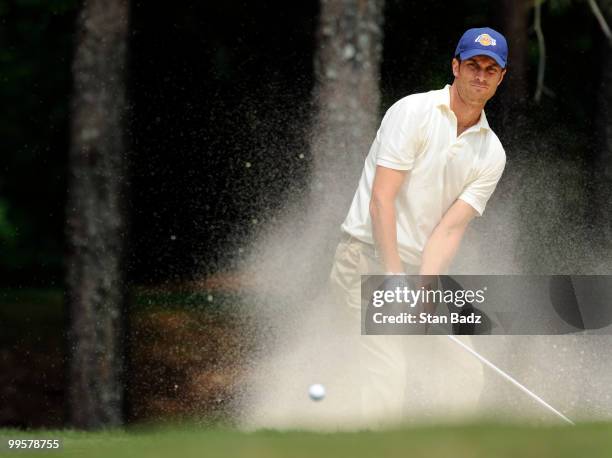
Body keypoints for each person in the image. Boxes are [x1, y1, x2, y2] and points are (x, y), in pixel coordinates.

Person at [329, 27, 508, 426]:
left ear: (501, 77)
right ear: (456, 67)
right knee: (387, 369)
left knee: (464, 366)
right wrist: (393, 277)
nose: (481, 76)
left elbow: (448, 230)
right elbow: (382, 200)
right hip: (366, 259)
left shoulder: (491, 153)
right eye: (474, 66)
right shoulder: (413, 112)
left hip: (415, 268)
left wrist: (425, 287)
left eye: (491, 69)